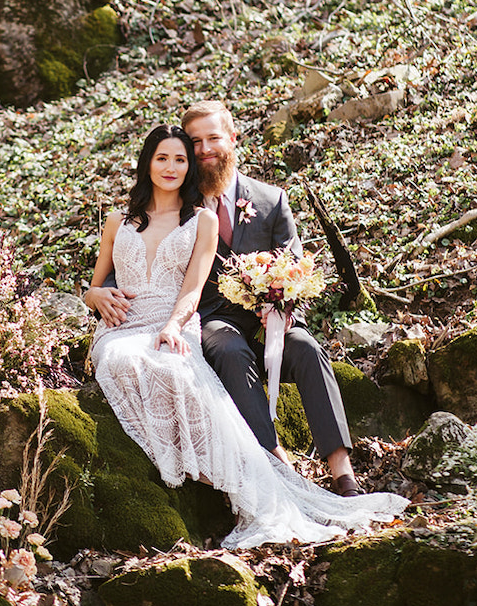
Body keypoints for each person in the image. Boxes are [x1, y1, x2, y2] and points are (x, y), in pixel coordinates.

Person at [85, 124, 406, 548]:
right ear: (147, 161)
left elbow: (293, 269)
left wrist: (282, 305)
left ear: (231, 139)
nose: (182, 161)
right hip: (191, 322)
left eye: (186, 155)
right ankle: (271, 459)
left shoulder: (248, 206)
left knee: (307, 349)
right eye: (169, 155)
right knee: (221, 352)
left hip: (247, 317)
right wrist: (94, 294)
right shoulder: (128, 219)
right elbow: (98, 283)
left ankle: (341, 472)